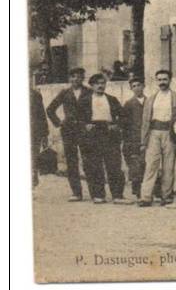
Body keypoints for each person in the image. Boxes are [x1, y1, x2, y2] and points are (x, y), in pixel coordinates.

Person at [138, 69, 176, 207]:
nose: (162, 82)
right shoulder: (150, 99)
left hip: (170, 133)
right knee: (151, 165)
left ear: (170, 80)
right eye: (159, 79)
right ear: (156, 81)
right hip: (153, 133)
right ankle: (146, 197)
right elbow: (145, 122)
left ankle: (167, 196)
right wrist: (143, 141)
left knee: (168, 166)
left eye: (165, 79)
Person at [77, 73, 128, 204]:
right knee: (94, 165)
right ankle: (98, 195)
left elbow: (123, 116)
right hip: (93, 133)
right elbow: (77, 119)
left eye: (103, 83)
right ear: (92, 86)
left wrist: (116, 125)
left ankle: (117, 195)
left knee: (114, 164)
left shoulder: (112, 99)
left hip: (109, 133)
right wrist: (85, 126)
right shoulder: (84, 100)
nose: (100, 86)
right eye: (97, 83)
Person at [45, 67, 90, 201]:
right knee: (71, 161)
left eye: (79, 76)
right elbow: (50, 109)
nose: (76, 79)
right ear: (70, 78)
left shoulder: (89, 92)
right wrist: (59, 123)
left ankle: (95, 192)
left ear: (83, 78)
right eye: (73, 76)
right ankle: (76, 193)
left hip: (84, 130)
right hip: (69, 130)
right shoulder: (64, 93)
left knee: (88, 160)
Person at [121, 75, 147, 200]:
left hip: (148, 138)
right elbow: (125, 124)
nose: (137, 88)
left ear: (144, 86)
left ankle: (151, 191)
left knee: (148, 165)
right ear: (131, 89)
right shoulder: (129, 104)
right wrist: (128, 142)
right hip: (133, 139)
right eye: (134, 86)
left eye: (139, 85)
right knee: (135, 166)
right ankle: (138, 192)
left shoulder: (150, 101)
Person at [30, 82, 49, 188]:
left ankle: (32, 178)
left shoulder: (35, 95)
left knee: (33, 157)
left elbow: (42, 115)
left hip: (34, 132)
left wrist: (45, 134)